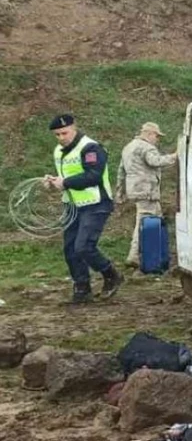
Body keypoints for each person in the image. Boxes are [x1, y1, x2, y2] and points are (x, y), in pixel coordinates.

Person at [43, 114, 124, 304]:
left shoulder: (91, 148)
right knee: (70, 249)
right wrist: (54, 181)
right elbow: (67, 175)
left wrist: (66, 183)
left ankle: (111, 274)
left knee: (84, 247)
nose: (61, 138)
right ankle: (82, 288)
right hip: (72, 205)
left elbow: (94, 176)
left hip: (96, 204)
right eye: (57, 135)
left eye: (64, 133)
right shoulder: (58, 151)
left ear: (74, 128)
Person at [117, 122, 178, 268]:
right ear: (149, 134)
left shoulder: (128, 147)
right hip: (147, 190)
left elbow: (121, 171)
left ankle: (157, 253)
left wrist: (120, 192)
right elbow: (155, 161)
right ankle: (136, 255)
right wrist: (175, 156)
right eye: (157, 136)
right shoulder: (147, 147)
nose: (157, 139)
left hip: (135, 189)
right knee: (145, 222)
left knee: (154, 219)